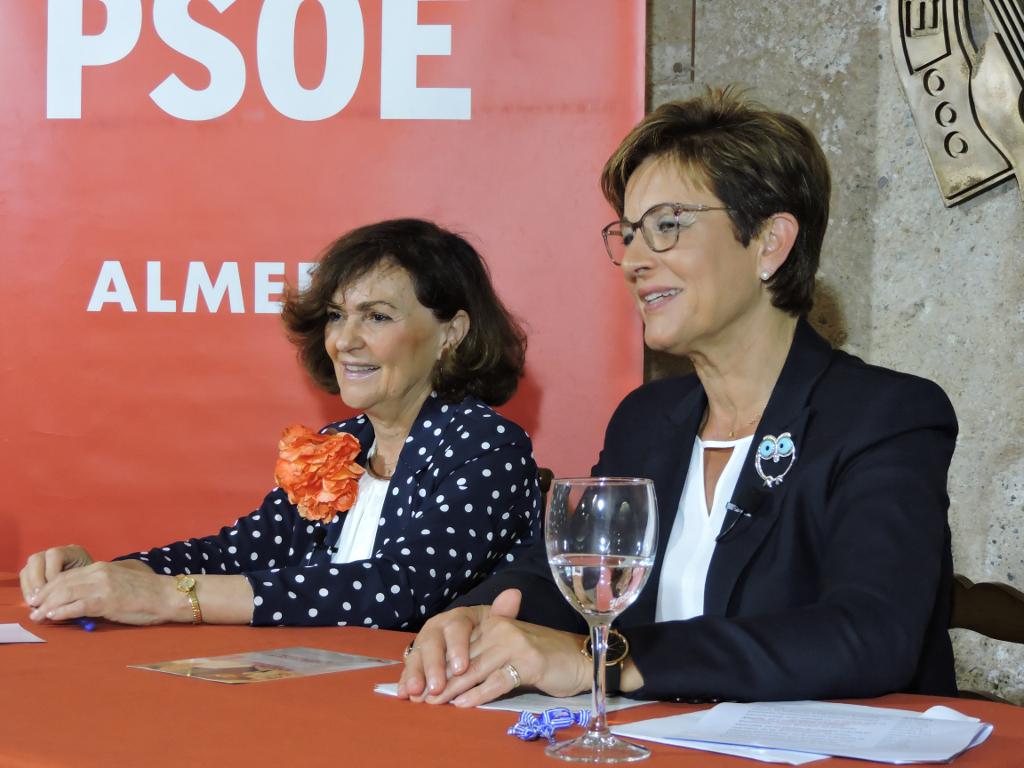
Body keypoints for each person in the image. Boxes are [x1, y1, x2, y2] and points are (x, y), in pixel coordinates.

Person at [397, 88, 958, 706]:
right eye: (629, 234)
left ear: (770, 242)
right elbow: (566, 575)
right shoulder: (647, 419)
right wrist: (475, 617)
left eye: (667, 226)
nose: (633, 260)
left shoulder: (887, 416)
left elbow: (870, 635)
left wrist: (603, 662)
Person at [20, 219, 540, 629]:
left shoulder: (487, 444)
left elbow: (396, 592)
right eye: (337, 315)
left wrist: (163, 599)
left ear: (451, 333)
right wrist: (113, 576)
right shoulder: (340, 445)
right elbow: (240, 553)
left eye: (377, 316)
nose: (345, 340)